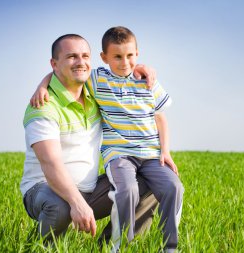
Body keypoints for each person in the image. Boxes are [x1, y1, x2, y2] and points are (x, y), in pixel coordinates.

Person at [32, 26, 184, 253]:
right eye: (118, 57)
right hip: (119, 154)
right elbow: (61, 71)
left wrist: (166, 152)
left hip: (151, 154)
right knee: (127, 191)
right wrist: (42, 86)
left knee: (173, 186)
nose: (125, 62)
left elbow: (160, 118)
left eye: (130, 56)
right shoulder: (97, 79)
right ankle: (118, 246)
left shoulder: (147, 81)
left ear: (137, 54)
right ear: (104, 58)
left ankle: (170, 248)